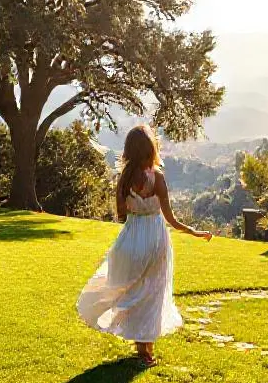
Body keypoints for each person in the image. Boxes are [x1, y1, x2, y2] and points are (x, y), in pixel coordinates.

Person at [77, 125, 212, 367]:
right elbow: (171, 219)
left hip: (130, 240)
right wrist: (194, 232)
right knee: (153, 293)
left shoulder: (124, 180)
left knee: (131, 290)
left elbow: (121, 215)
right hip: (155, 240)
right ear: (151, 149)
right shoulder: (157, 179)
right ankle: (145, 350)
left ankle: (143, 349)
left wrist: (135, 207)